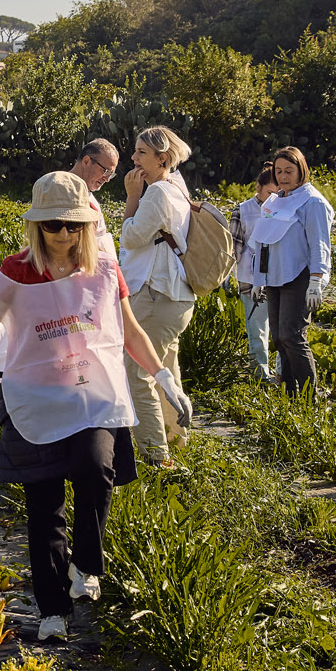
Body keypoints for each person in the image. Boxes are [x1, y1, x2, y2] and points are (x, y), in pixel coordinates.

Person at [0, 171, 192, 641]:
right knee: (44, 506)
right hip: (36, 397)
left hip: (92, 394)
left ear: (86, 225)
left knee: (97, 468)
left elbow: (129, 330)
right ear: (37, 226)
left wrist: (162, 376)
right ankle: (52, 610)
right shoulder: (16, 271)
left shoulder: (104, 268)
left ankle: (87, 563)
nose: (63, 233)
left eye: (73, 225)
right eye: (53, 224)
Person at [117, 126, 197, 466]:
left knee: (138, 374)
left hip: (156, 294)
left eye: (141, 153)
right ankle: (176, 443)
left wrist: (132, 198)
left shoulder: (157, 194)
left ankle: (155, 456)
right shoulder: (178, 186)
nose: (134, 158)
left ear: (162, 158)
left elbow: (132, 238)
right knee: (167, 370)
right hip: (177, 296)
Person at [254, 147, 332, 394]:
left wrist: (316, 281)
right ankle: (289, 393)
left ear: (301, 171)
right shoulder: (275, 201)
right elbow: (264, 242)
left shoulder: (312, 202)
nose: (283, 176)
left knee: (292, 335)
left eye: (289, 170)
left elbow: (320, 243)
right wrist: (259, 278)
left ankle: (310, 397)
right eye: (279, 171)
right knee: (278, 338)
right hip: (275, 276)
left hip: (299, 275)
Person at [231, 166, 279, 383]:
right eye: (270, 192)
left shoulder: (283, 208)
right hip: (249, 277)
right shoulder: (243, 210)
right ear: (258, 187)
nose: (274, 198)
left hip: (278, 276)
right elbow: (234, 247)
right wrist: (227, 274)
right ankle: (260, 375)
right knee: (257, 328)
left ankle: (282, 374)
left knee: (281, 330)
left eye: (277, 193)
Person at [69, 138, 120, 250]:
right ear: (86, 161)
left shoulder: (91, 200)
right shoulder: (59, 191)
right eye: (105, 171)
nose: (107, 179)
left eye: (111, 174)